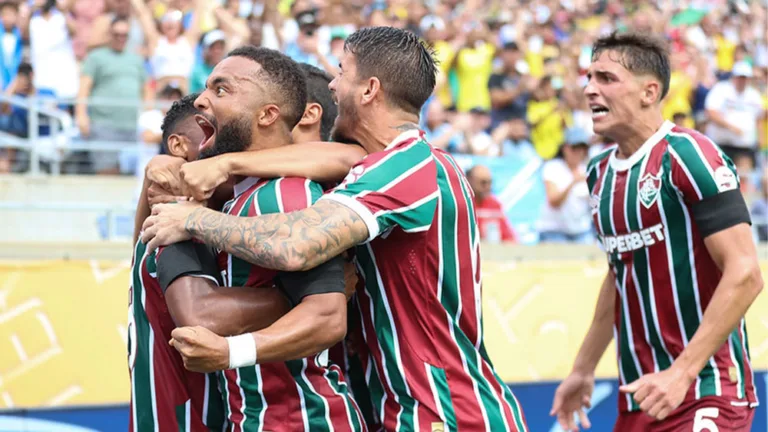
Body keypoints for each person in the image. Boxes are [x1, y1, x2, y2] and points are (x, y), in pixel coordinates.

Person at [142, 26, 528, 432]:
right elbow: (335, 159)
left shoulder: (409, 167)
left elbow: (296, 245)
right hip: (408, 412)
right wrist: (220, 164)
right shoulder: (385, 167)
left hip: (448, 413)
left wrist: (193, 218)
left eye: (342, 72)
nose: (331, 84)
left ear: (369, 90)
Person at [550, 32, 762, 432]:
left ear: (650, 92)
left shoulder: (691, 155)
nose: (589, 88)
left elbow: (746, 273)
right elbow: (620, 273)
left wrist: (681, 372)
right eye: (588, 77)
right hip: (642, 396)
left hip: (706, 389)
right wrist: (583, 367)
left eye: (606, 79)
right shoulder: (598, 174)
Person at [153, 46, 366, 431]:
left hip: (302, 420)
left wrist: (231, 352)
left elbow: (326, 318)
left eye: (222, 90)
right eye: (206, 88)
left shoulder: (283, 194)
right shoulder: (239, 197)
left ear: (268, 114)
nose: (201, 99)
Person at [128, 94, 227, 432]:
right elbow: (205, 318)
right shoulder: (180, 229)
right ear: (178, 145)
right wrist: (307, 300)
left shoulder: (170, 220)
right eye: (210, 133)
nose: (224, 150)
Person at [537, 128, 593, 244]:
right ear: (565, 148)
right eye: (574, 148)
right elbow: (553, 202)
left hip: (581, 230)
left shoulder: (587, 169)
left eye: (582, 149)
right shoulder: (552, 167)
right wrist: (573, 182)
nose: (579, 152)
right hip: (554, 231)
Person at [466, 165, 516, 243]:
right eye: (483, 182)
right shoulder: (462, 204)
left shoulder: (494, 204)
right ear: (469, 180)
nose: (488, 186)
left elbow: (509, 238)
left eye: (490, 182)